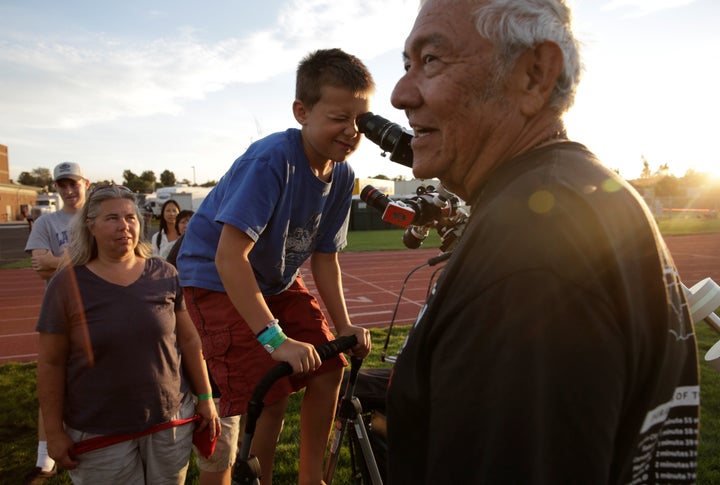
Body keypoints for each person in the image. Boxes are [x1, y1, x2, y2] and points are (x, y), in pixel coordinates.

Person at [385, 1, 700, 484]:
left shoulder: (529, 254)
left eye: (431, 60)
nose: (400, 94)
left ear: (534, 75)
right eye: (407, 64)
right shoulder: (577, 193)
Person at [177, 48, 374, 485]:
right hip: (215, 279)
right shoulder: (272, 161)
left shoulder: (342, 174)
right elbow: (229, 257)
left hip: (274, 280)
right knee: (271, 392)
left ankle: (310, 479)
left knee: (331, 367)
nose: (351, 131)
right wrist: (275, 339)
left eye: (361, 121)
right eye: (339, 117)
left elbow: (326, 258)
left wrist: (343, 324)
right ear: (302, 112)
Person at [35, 184, 221, 483]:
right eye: (112, 218)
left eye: (130, 217)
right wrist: (53, 434)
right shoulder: (66, 285)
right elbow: (50, 363)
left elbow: (188, 341)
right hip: (99, 432)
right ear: (90, 225)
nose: (124, 226)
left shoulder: (165, 274)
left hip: (169, 423)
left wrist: (205, 397)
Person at [23, 161, 90, 484]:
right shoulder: (46, 222)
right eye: (62, 185)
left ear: (85, 183)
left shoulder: (95, 216)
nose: (68, 190)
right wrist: (79, 257)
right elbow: (40, 266)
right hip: (60, 311)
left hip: (95, 307)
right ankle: (44, 458)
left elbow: (102, 259)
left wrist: (57, 260)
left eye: (73, 183)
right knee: (52, 380)